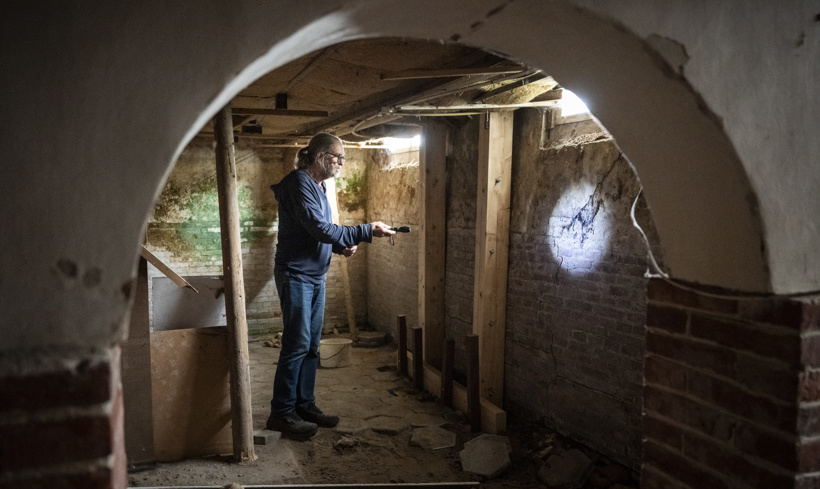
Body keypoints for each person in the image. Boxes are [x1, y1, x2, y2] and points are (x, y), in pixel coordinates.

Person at [266, 132, 395, 438]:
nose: (341, 163)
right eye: (338, 157)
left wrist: (340, 247)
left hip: (313, 276)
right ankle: (281, 413)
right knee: (296, 344)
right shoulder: (299, 183)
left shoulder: (319, 187)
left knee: (311, 346)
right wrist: (365, 230)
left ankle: (304, 405)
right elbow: (318, 227)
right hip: (295, 274)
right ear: (321, 157)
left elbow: (316, 233)